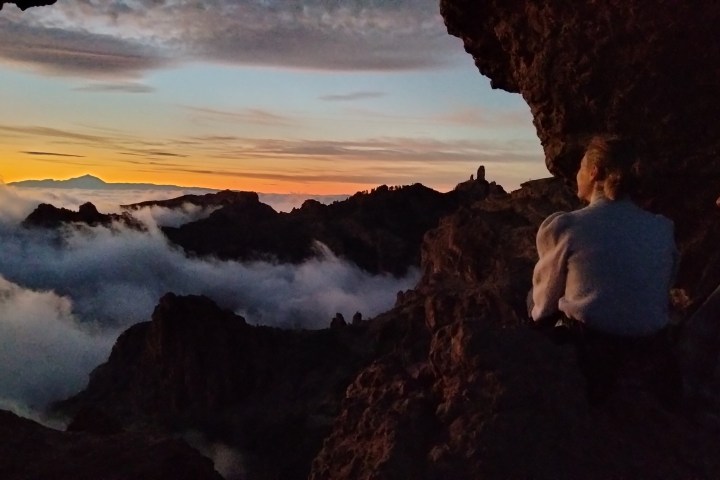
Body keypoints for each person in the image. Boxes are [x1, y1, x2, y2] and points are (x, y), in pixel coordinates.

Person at [529, 135, 682, 408]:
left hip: (592, 349)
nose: (576, 175)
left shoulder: (566, 227)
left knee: (531, 298)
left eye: (580, 167)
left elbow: (544, 305)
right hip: (651, 348)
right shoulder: (662, 228)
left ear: (594, 172)